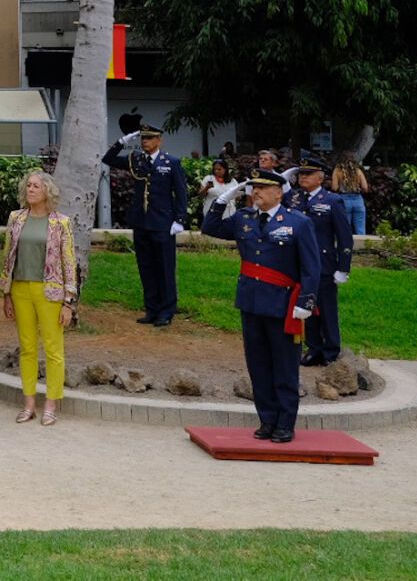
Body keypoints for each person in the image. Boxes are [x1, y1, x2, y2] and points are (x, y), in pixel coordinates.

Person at [200, 165, 318, 442]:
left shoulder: (298, 222)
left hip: (283, 304)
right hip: (251, 303)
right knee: (258, 364)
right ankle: (267, 419)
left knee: (284, 365)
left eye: (263, 188)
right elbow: (210, 227)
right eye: (254, 188)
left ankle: (285, 422)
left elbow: (312, 267)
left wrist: (306, 302)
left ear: (278, 193)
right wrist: (223, 198)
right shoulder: (244, 219)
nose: (256, 193)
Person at [0, 170, 78, 426]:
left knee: (54, 349)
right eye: (28, 185)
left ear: (47, 192)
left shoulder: (60, 222)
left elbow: (69, 262)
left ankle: (51, 404)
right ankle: (29, 402)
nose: (30, 190)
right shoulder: (16, 218)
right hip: (21, 288)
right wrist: (6, 292)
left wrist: (69, 301)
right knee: (27, 347)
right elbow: (8, 255)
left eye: (36, 186)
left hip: (50, 291)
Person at [101, 121, 186, 327]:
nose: (145, 142)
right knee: (146, 267)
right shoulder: (135, 159)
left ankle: (167, 310)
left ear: (159, 140)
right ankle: (152, 309)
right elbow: (108, 159)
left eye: (149, 138)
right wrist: (121, 141)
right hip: (141, 221)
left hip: (163, 223)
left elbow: (181, 192)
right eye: (143, 138)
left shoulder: (171, 162)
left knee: (165, 267)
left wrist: (180, 220)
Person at [286, 157, 354, 367]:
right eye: (301, 174)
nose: (302, 177)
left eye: (307, 174)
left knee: (326, 309)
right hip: (299, 263)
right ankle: (314, 348)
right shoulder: (294, 198)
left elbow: (344, 236)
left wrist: (343, 267)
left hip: (323, 263)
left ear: (320, 177)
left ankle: (331, 350)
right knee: (307, 306)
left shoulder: (332, 200)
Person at [331, 155, 370, 237]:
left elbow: (334, 188)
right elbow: (365, 187)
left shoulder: (337, 171)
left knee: (345, 226)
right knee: (360, 228)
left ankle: (346, 247)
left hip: (344, 199)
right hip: (358, 200)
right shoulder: (358, 171)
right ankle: (363, 247)